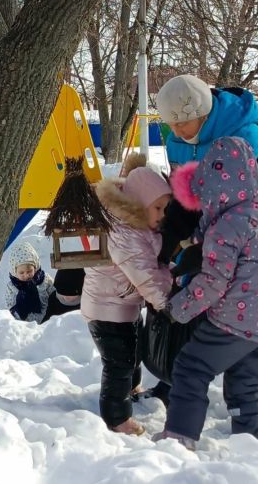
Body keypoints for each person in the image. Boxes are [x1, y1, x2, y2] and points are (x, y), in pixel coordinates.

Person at [151, 74, 258, 432]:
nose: (176, 128)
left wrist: (244, 253)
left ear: (202, 113)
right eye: (170, 122)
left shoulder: (246, 138)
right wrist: (177, 237)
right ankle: (174, 384)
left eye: (182, 120)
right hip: (213, 231)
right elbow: (185, 194)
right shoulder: (177, 142)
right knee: (194, 300)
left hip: (252, 242)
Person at [81, 160, 174, 436]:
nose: (162, 214)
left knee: (132, 353)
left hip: (123, 305)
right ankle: (116, 417)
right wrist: (166, 302)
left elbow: (154, 259)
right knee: (118, 363)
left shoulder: (137, 225)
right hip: (106, 310)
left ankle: (131, 388)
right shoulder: (124, 233)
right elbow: (144, 272)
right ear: (139, 203)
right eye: (158, 208)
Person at [4, 241, 55, 323]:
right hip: (25, 323)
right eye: (21, 273)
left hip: (47, 319)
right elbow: (10, 304)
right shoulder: (12, 286)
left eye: (29, 271)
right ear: (15, 272)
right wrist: (16, 313)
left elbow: (54, 292)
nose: (26, 275)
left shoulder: (44, 279)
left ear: (35, 267)